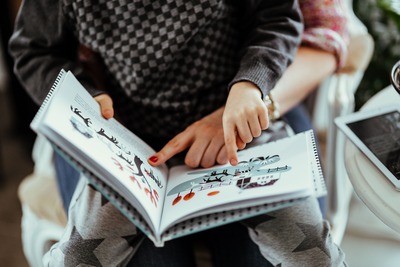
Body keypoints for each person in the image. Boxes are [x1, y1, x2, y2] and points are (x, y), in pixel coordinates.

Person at [9, 0, 348, 266]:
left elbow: (278, 18)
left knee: (309, 248)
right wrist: (86, 97)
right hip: (126, 141)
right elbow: (34, 51)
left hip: (234, 129)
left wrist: (251, 85)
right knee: (88, 248)